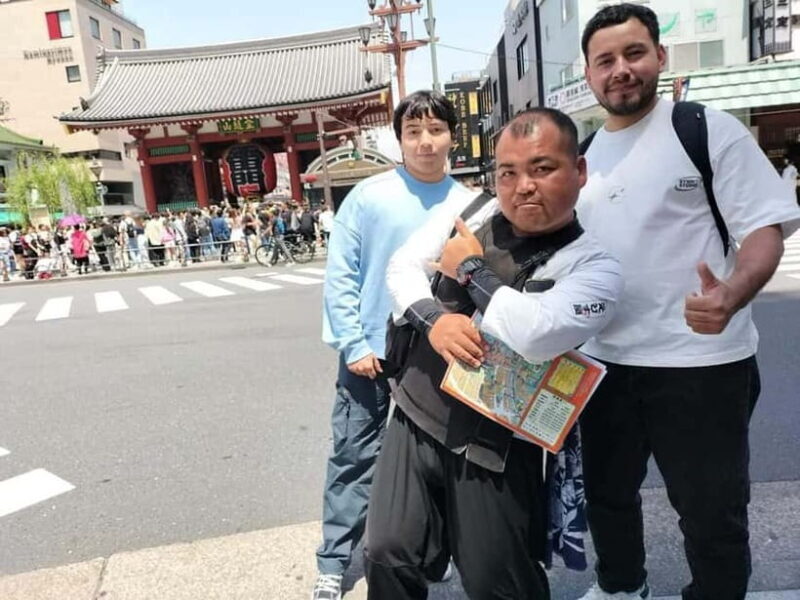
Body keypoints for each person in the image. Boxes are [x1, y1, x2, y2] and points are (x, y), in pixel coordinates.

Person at [574, 5, 800, 600]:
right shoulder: (585, 157)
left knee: (711, 510)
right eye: (606, 60)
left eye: (633, 54)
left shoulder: (704, 129)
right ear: (590, 73)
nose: (621, 70)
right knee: (607, 494)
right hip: (604, 364)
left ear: (659, 58)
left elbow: (764, 228)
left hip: (701, 366)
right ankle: (622, 587)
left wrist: (733, 291)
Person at [363, 108, 622, 600]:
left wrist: (472, 271)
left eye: (542, 169)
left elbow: (537, 332)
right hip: (418, 412)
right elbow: (402, 267)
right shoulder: (472, 210)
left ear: (579, 172)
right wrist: (433, 320)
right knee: (387, 551)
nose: (523, 186)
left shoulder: (594, 267)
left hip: (496, 443)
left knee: (496, 581)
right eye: (508, 172)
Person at [312, 90, 476, 600]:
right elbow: (340, 274)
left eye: (436, 130)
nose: (426, 142)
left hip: (431, 350)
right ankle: (336, 559)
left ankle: (432, 551)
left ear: (453, 135)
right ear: (399, 138)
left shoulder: (466, 201)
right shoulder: (369, 195)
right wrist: (354, 342)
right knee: (354, 455)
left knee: (434, 457)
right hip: (370, 351)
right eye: (413, 132)